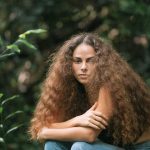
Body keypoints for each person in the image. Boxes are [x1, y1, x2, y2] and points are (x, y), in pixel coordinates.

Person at [29, 33, 150, 150]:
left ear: (102, 63)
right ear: (68, 64)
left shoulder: (110, 85)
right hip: (111, 146)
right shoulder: (70, 88)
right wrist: (76, 120)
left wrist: (45, 133)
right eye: (77, 61)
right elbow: (43, 126)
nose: (83, 67)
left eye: (90, 61)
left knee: (80, 147)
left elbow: (89, 135)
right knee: (53, 144)